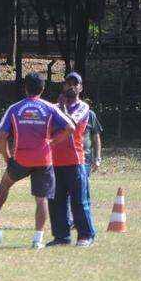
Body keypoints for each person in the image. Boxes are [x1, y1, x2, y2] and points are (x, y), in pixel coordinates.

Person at [0, 72, 76, 249]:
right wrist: (53, 142)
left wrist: (7, 158)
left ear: (25, 88)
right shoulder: (49, 108)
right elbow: (71, 127)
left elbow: (2, 136)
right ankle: (37, 240)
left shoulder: (15, 108)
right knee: (41, 199)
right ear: (43, 88)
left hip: (21, 159)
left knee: (5, 184)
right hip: (43, 160)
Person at [48, 72, 96, 246]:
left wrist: (61, 109)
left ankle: (86, 235)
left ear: (81, 87)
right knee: (56, 202)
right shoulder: (54, 107)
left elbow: (71, 124)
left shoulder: (83, 107)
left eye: (75, 84)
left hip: (75, 161)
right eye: (68, 83)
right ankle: (61, 237)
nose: (72, 86)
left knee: (79, 201)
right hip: (55, 162)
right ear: (63, 86)